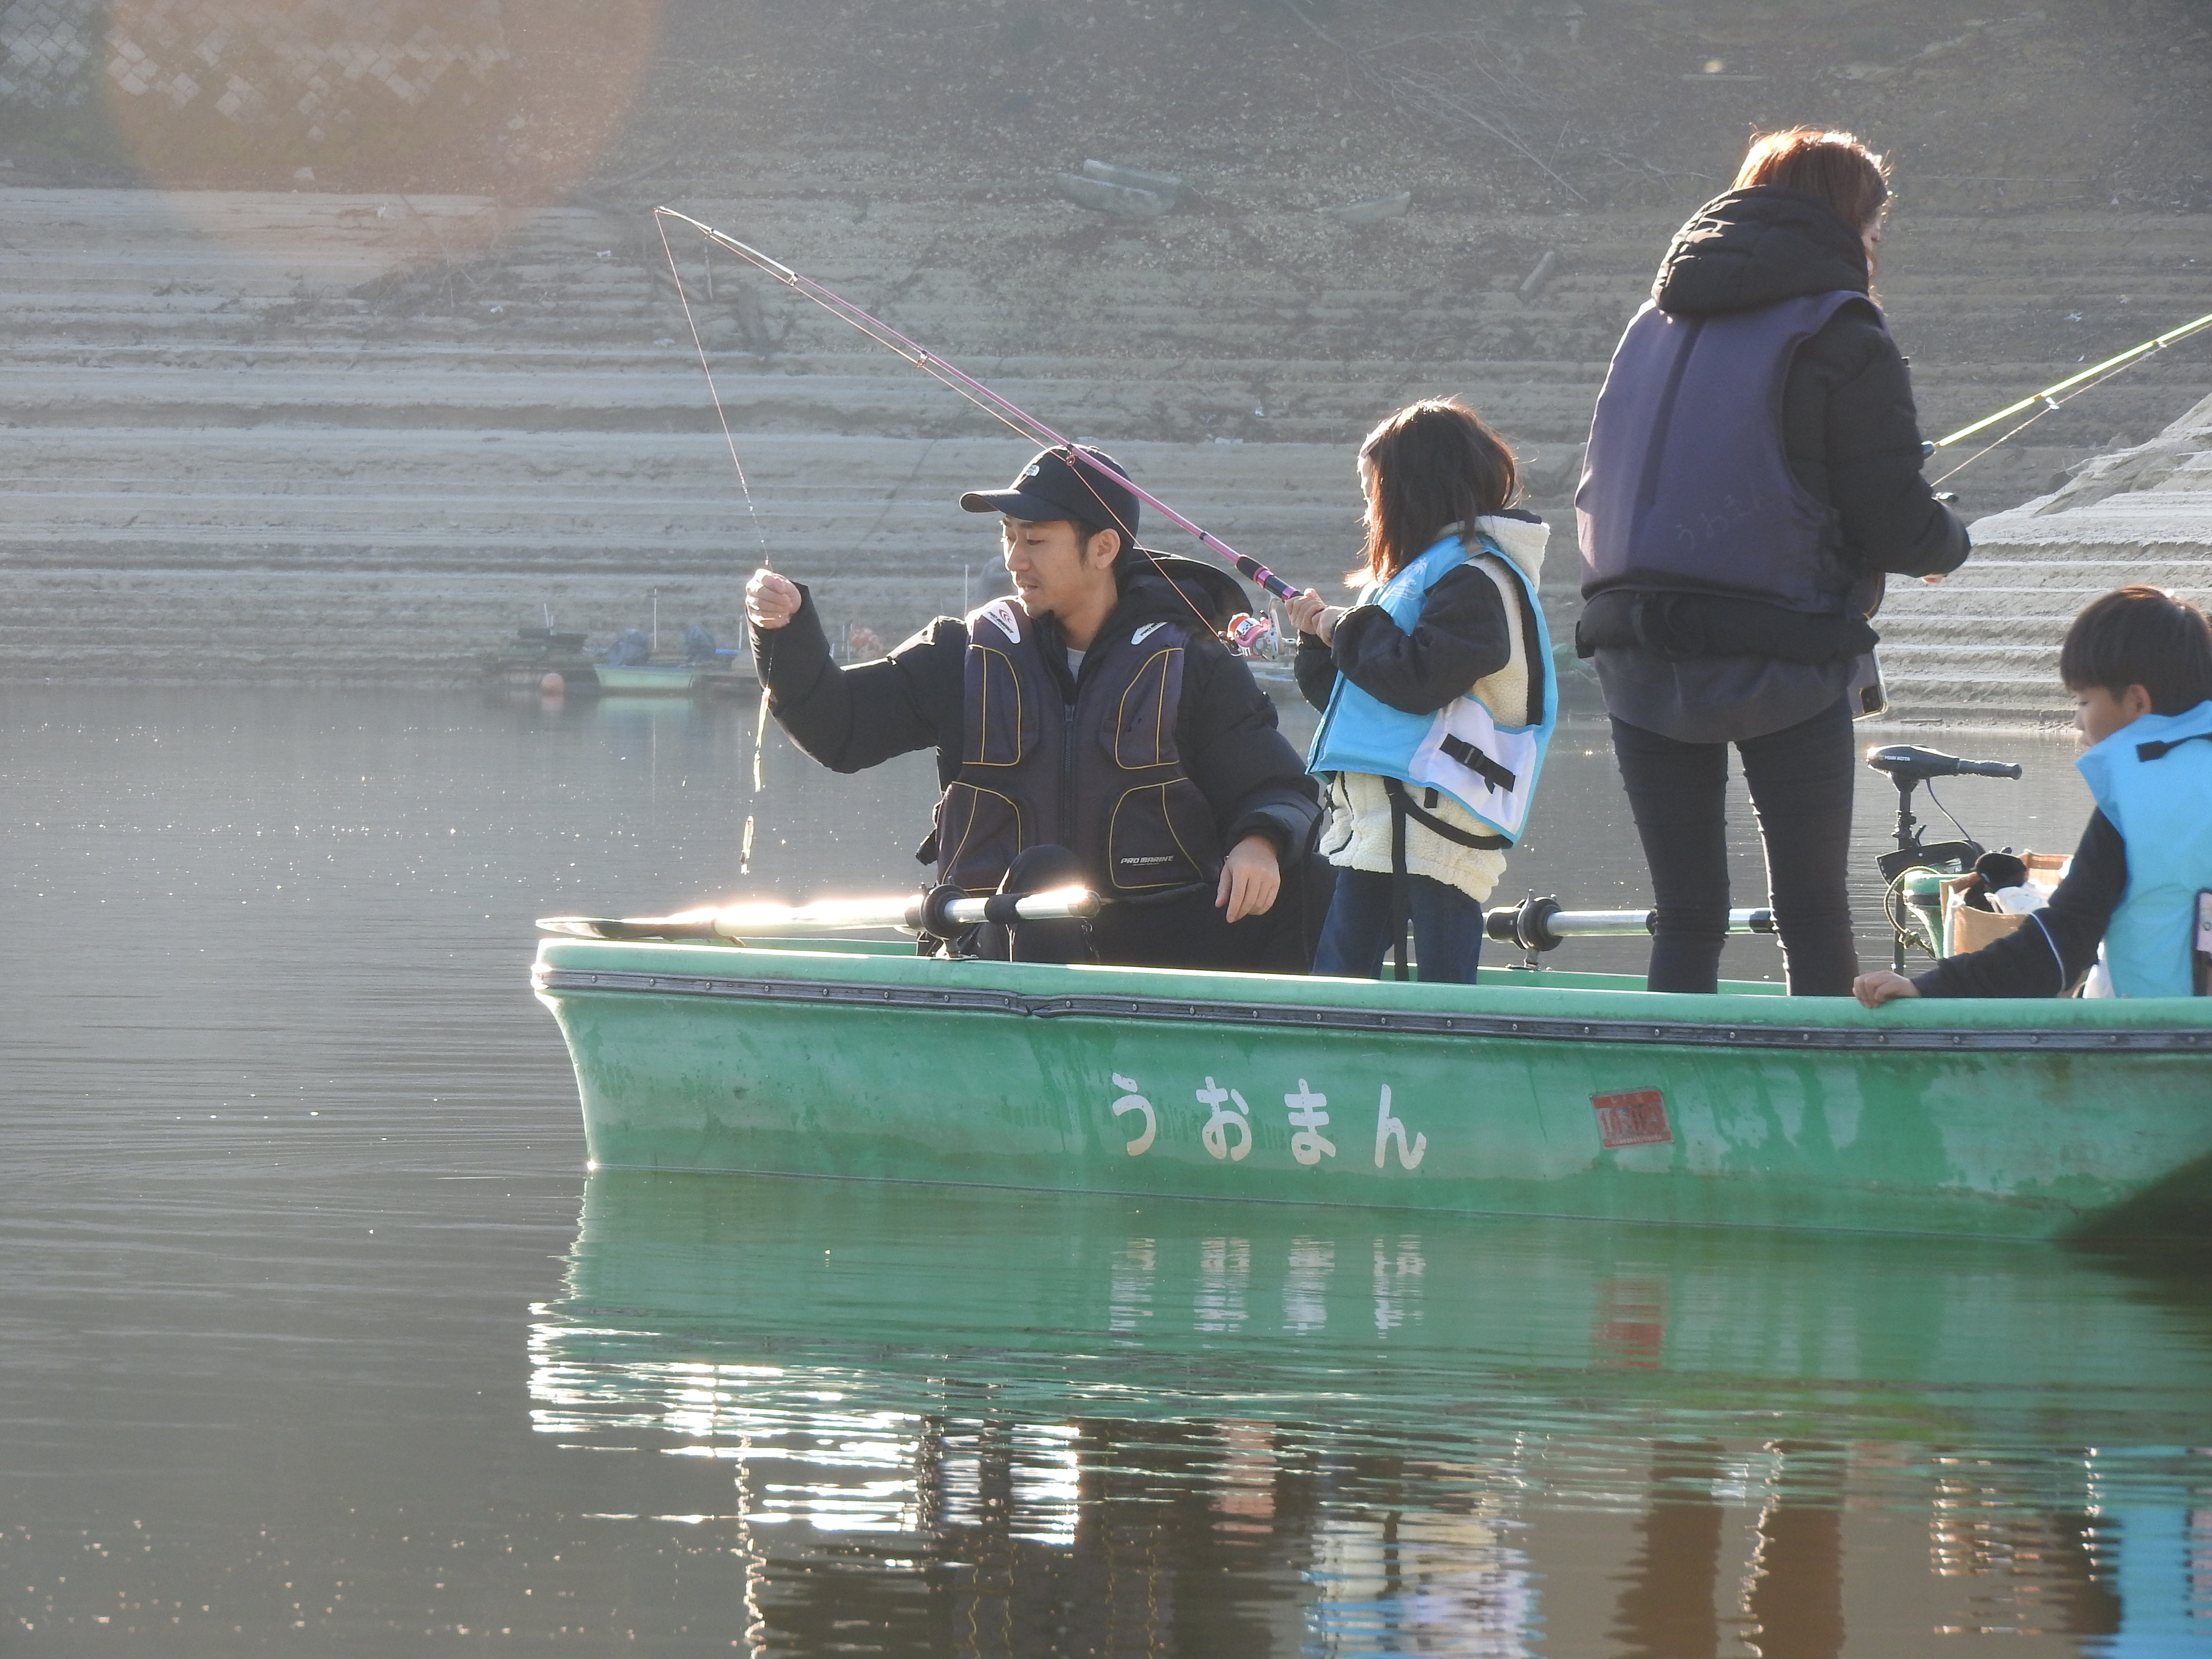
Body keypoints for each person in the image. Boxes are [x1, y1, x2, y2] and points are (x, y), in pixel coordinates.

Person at [1574, 127, 1971, 996]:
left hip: (1633, 649)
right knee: (1811, 910)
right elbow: (1897, 523)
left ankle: (1664, 1116)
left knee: (1684, 916)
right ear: (1847, 219)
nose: (1874, 246)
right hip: (1782, 654)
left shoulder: (1652, 320)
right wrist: (1948, 540)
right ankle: (1824, 1115)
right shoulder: (1842, 328)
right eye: (1873, 226)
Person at [743, 445, 1320, 969]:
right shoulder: (961, 655)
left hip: (1158, 939)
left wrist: (1260, 843)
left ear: (1103, 548)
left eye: (1035, 540)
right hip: (1002, 942)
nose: (1015, 559)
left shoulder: (1193, 663)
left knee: (1314, 873)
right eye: (1008, 536)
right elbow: (840, 731)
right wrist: (786, 633)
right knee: (1046, 874)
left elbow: (1278, 789)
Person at [1286, 398, 1556, 982]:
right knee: (1340, 973)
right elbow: (1364, 698)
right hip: (1385, 825)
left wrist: (1346, 627)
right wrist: (1318, 641)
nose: (1368, 511)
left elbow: (1421, 681)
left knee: (1441, 979)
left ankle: (1448, 1062)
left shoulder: (1478, 578)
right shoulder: (1421, 577)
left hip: (1441, 824)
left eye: (1372, 492)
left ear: (1410, 490)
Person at [1856, 586, 2212, 1005]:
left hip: (2163, 1043)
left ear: (2137, 701)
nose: (2077, 722)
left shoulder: (2139, 801)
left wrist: (1933, 985)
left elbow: (2061, 943)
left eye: (2083, 701)